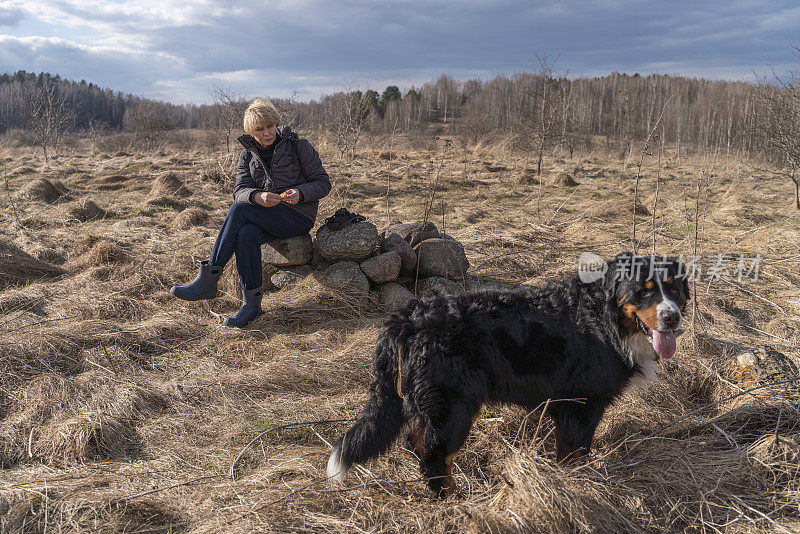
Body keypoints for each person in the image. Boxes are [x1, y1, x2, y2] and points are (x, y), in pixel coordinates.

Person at [170, 98, 331, 327]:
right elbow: (240, 190)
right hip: (265, 216)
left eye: (270, 127)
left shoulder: (298, 146)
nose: (267, 133)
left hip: (297, 217)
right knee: (246, 233)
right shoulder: (247, 156)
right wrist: (257, 197)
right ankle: (251, 306)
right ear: (251, 131)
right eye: (260, 129)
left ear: (275, 124)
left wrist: (301, 192)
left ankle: (209, 278)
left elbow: (323, 183)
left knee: (238, 211)